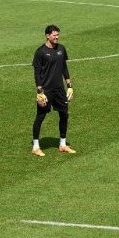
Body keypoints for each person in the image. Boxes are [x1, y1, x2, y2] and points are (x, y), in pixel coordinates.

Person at [31, 24, 75, 157]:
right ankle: (36, 146)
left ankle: (62, 144)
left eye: (58, 34)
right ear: (47, 35)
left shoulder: (61, 49)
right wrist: (39, 91)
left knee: (64, 114)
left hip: (59, 90)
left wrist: (69, 85)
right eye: (54, 35)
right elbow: (37, 73)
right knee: (40, 116)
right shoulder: (40, 52)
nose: (57, 37)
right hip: (46, 90)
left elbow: (64, 68)